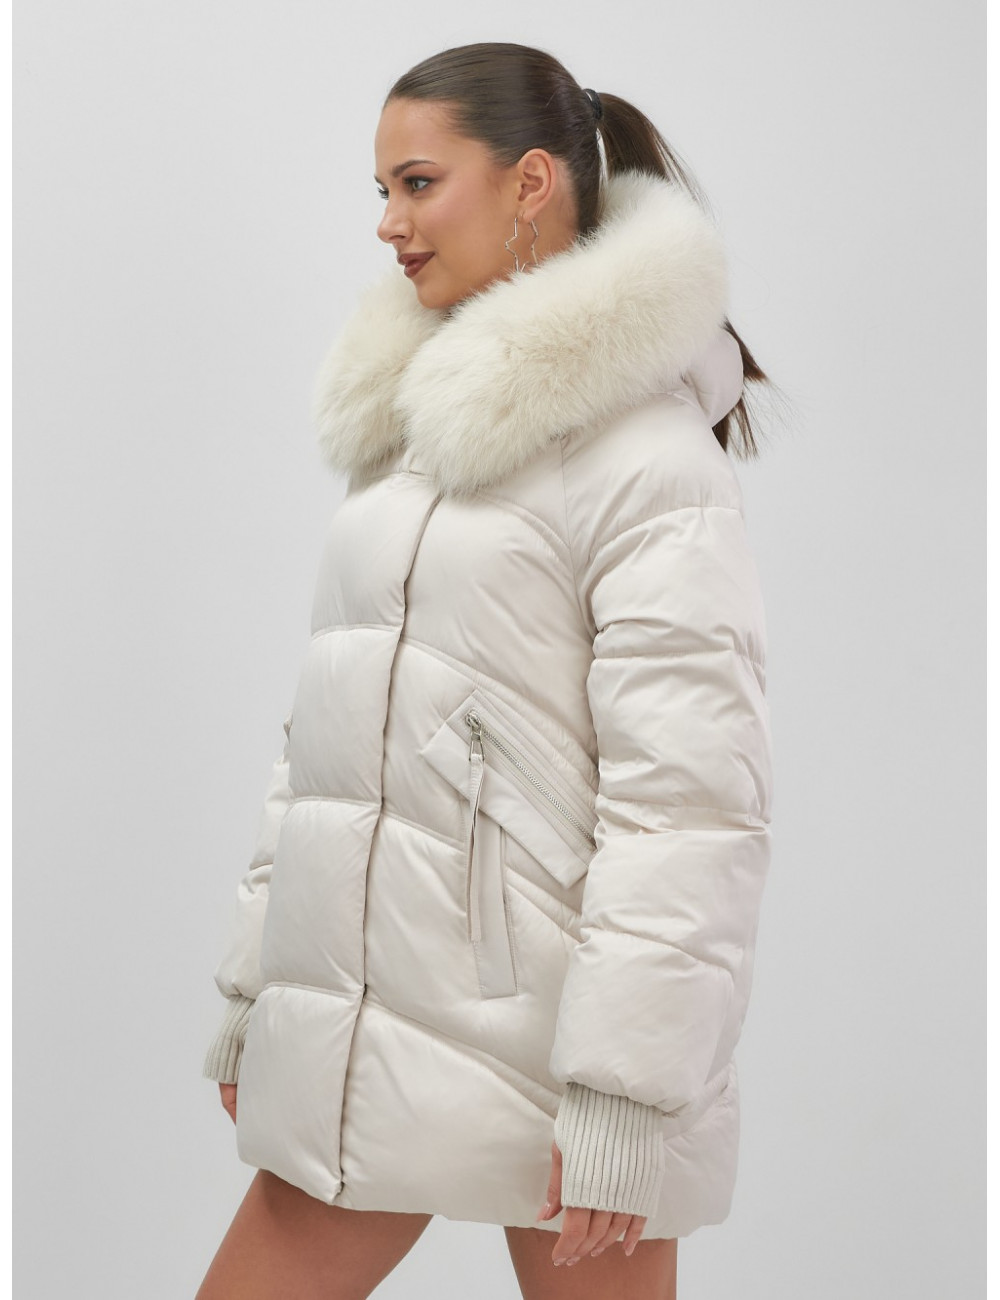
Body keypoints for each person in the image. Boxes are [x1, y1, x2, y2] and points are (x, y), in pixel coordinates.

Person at [196, 40, 775, 1300]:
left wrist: (627, 1091)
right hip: (367, 1013)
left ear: (528, 184)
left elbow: (688, 801)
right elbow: (324, 740)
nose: (388, 224)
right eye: (382, 191)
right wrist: (261, 986)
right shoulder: (410, 440)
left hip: (562, 1043)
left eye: (417, 183)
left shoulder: (648, 460)